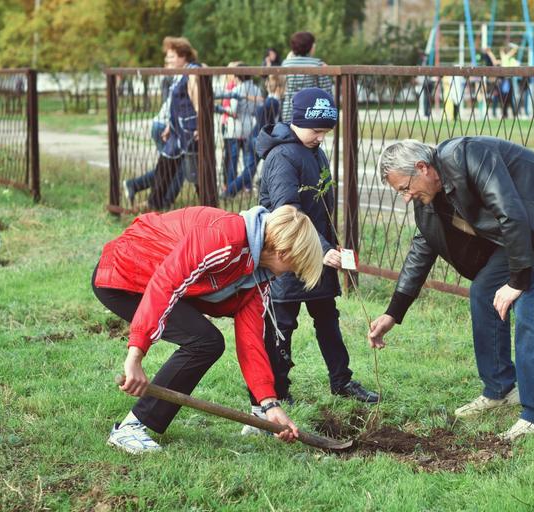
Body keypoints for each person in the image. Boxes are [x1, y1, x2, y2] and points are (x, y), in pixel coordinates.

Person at [368, 138, 534, 441]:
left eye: (404, 188)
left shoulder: (467, 156)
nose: (406, 198)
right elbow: (421, 252)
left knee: (530, 307)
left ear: (423, 168)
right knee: (483, 291)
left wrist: (517, 282)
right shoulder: (429, 201)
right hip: (524, 232)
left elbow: (509, 211)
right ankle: (501, 388)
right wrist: (393, 313)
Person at [92, 204, 324, 454]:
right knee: (204, 341)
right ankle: (130, 428)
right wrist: (136, 355)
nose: (294, 273)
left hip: (155, 283)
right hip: (124, 275)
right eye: (296, 267)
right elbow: (166, 283)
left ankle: (136, 424)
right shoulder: (225, 237)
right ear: (283, 252)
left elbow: (251, 341)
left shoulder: (257, 276)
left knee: (208, 341)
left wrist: (269, 405)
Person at [247, 88, 378, 434]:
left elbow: (320, 206)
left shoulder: (313, 151)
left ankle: (341, 380)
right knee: (282, 325)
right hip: (288, 253)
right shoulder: (282, 157)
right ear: (298, 121)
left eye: (325, 132)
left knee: (327, 319)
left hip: (318, 252)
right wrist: (319, 248)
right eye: (315, 130)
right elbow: (287, 210)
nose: (320, 137)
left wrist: (331, 245)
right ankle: (277, 391)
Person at [123, 37, 201, 210]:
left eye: (171, 56)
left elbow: (197, 102)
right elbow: (178, 104)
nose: (167, 60)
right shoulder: (180, 74)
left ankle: (209, 208)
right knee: (164, 167)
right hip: (176, 131)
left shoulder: (192, 72)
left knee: (196, 175)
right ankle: (154, 204)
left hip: (189, 132)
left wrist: (200, 127)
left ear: (183, 56)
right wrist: (169, 126)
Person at [217, 64, 262, 197]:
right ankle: (247, 188)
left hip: (235, 128)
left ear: (238, 76)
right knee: (248, 159)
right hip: (250, 126)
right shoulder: (257, 90)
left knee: (232, 160)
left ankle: (230, 189)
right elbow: (257, 110)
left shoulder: (237, 89)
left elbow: (233, 111)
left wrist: (221, 110)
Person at [280, 32, 333, 124]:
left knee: (291, 136)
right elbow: (326, 91)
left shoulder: (285, 64)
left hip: (289, 110)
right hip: (311, 111)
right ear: (310, 46)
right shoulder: (317, 64)